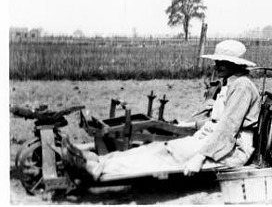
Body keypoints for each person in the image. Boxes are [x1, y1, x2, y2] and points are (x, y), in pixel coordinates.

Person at [62, 39, 260, 179]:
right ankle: (98, 161)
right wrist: (190, 124)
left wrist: (200, 158)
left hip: (230, 151)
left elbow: (228, 127)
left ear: (236, 64)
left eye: (223, 62)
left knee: (163, 155)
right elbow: (217, 120)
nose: (217, 65)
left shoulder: (242, 87)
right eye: (217, 61)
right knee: (159, 148)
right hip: (214, 141)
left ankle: (96, 167)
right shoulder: (232, 83)